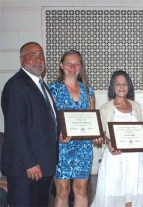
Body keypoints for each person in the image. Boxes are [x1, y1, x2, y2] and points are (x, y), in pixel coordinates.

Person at [1, 42, 60, 206]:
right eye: (32, 55)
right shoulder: (16, 85)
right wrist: (30, 163)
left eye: (41, 55)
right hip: (26, 168)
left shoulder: (40, 84)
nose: (38, 59)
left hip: (43, 165)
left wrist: (59, 133)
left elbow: (47, 119)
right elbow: (15, 129)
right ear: (21, 60)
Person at [49, 49, 101, 206]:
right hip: (61, 146)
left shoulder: (88, 90)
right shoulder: (52, 89)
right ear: (61, 65)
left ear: (81, 66)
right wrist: (58, 134)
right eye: (68, 64)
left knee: (81, 190)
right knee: (62, 191)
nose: (72, 67)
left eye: (76, 64)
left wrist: (96, 133)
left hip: (83, 147)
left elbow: (92, 117)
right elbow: (47, 119)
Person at [91, 70, 143, 207]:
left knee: (131, 194)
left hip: (134, 158)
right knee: (113, 193)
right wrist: (109, 142)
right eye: (118, 84)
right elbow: (100, 133)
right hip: (115, 156)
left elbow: (140, 131)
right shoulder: (105, 108)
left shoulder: (136, 106)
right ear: (112, 87)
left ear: (129, 86)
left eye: (125, 84)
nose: (121, 87)